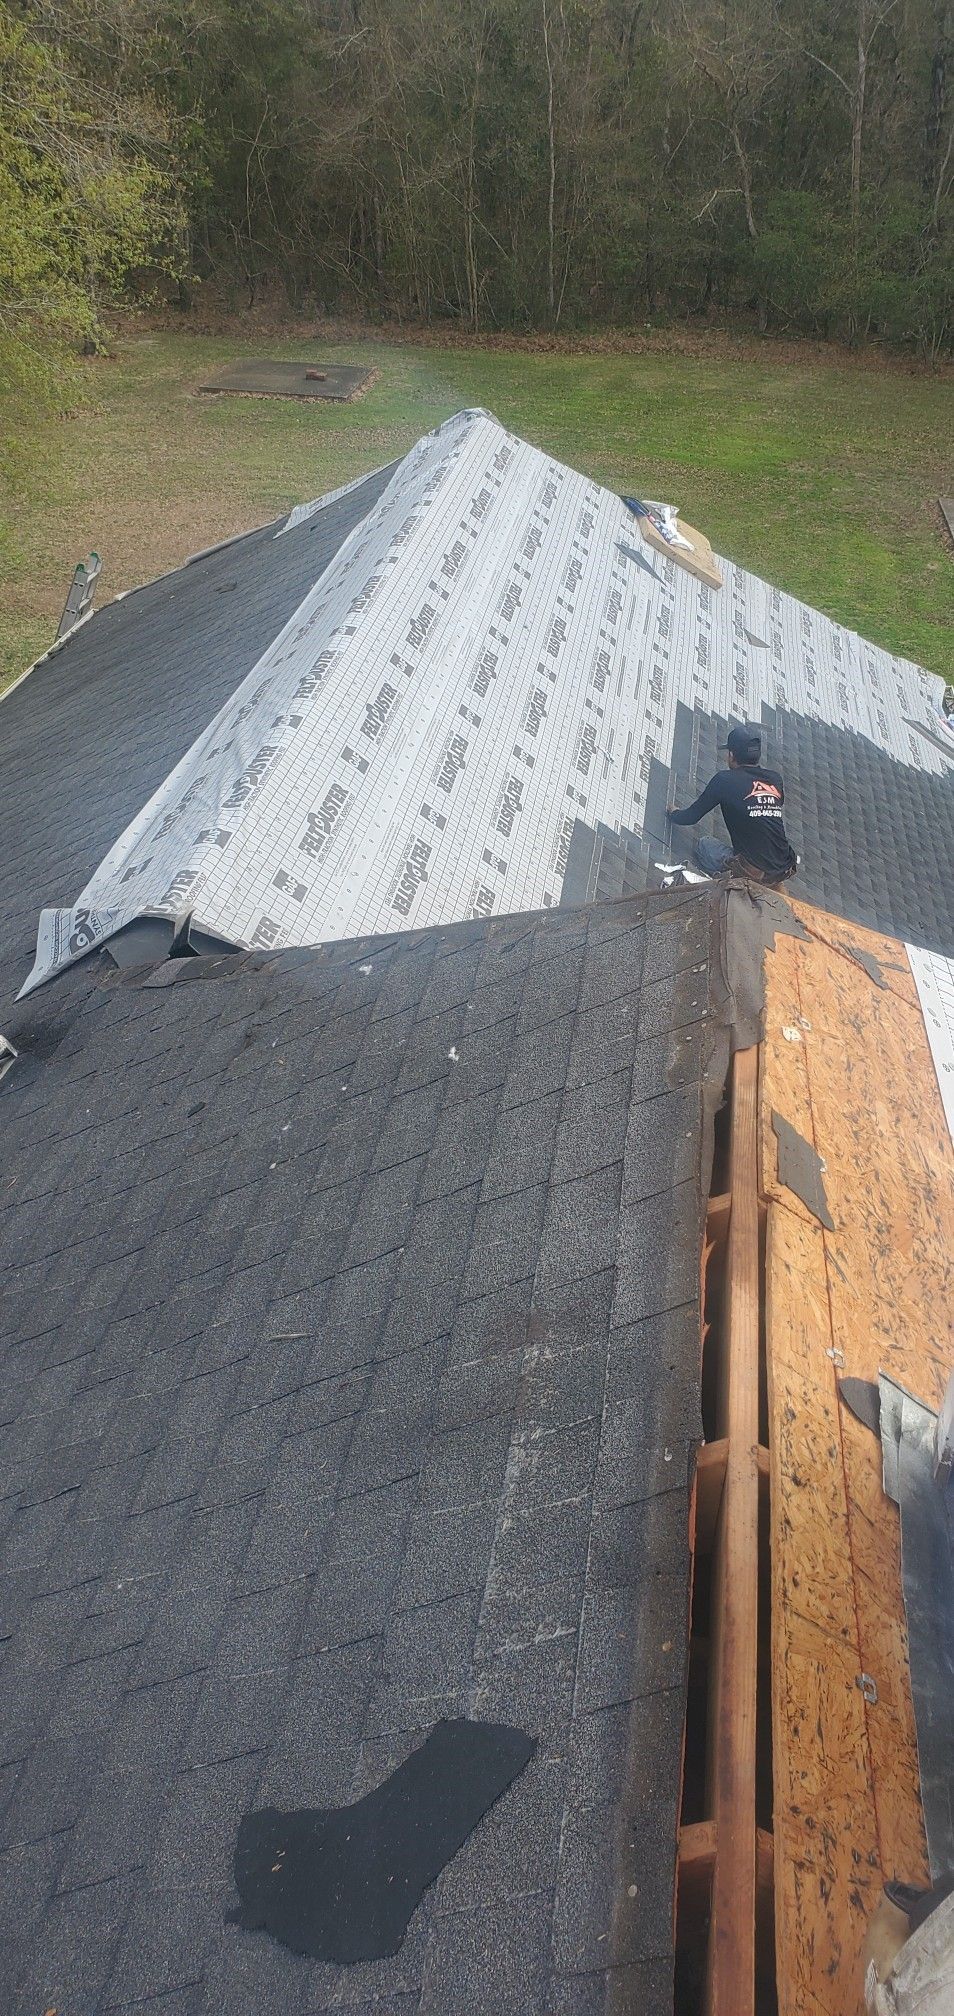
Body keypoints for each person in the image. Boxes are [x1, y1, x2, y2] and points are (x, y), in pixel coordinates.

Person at [667, 724, 797, 885]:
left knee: (704, 845)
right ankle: (765, 876)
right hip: (785, 866)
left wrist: (674, 812)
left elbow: (690, 817)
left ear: (731, 755)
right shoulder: (775, 779)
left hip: (755, 872)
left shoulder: (724, 780)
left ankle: (740, 878)